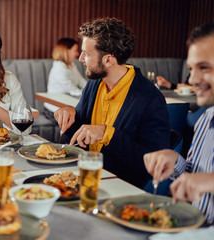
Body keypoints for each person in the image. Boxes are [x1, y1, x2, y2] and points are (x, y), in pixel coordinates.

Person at [54, 18, 170, 188]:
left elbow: (153, 163)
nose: (80, 58)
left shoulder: (151, 98)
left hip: (118, 190)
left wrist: (108, 134)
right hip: (81, 179)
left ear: (108, 60)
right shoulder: (95, 83)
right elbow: (78, 135)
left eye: (86, 53)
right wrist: (69, 115)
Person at [144, 21, 214, 224]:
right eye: (191, 68)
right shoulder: (205, 120)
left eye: (204, 67)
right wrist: (174, 159)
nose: (192, 79)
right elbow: (193, 174)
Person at [44, 38, 87, 121]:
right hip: (54, 109)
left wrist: (92, 90)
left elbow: (83, 83)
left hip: (67, 106)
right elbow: (74, 92)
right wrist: (91, 93)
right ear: (66, 51)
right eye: (75, 50)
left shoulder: (71, 66)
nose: (78, 54)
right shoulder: (59, 69)